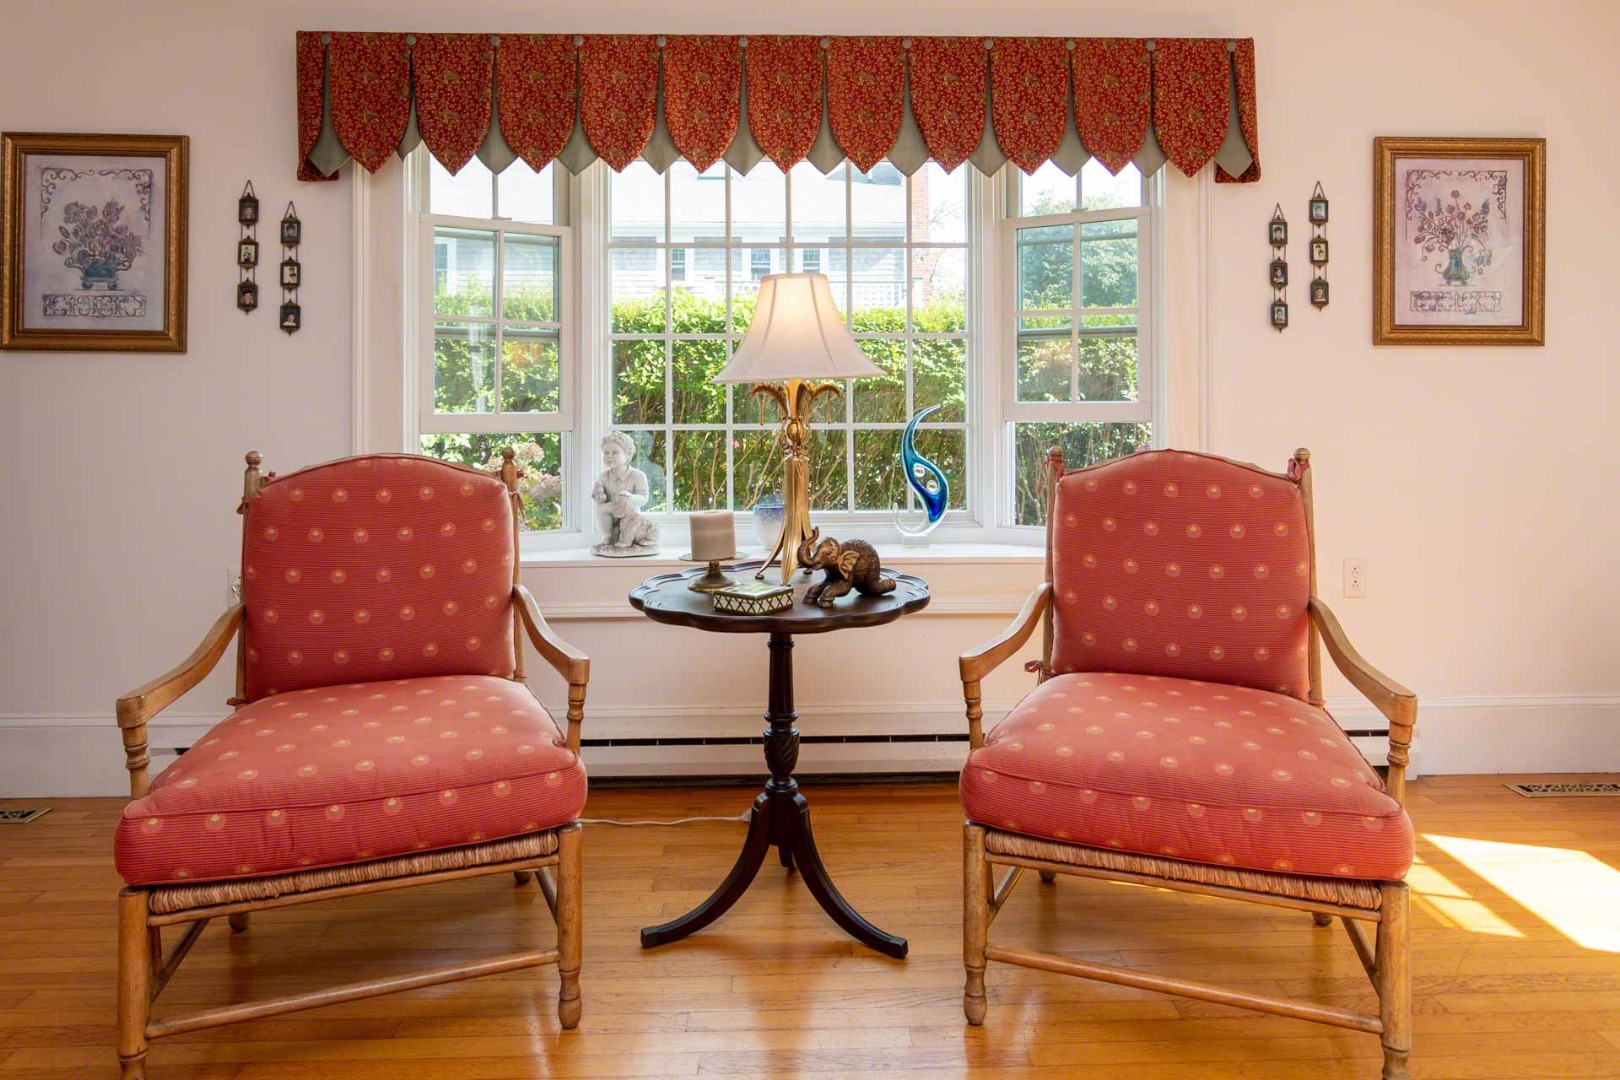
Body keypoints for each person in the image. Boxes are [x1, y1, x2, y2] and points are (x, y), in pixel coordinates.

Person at [591, 431, 660, 556]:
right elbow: (601, 499)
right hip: (613, 512)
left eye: (615, 452)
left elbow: (644, 498)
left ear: (627, 455)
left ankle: (627, 540)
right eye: (606, 453)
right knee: (601, 508)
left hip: (631, 513)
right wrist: (599, 495)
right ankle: (608, 537)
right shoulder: (603, 477)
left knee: (631, 518)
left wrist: (632, 498)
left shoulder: (638, 476)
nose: (609, 456)